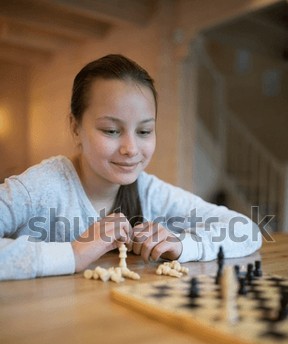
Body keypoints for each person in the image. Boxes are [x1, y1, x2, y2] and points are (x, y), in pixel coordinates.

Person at [0, 54, 262, 280]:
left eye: (144, 131)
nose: (131, 148)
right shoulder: (41, 187)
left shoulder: (149, 191)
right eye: (111, 130)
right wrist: (73, 253)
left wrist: (183, 244)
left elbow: (245, 231)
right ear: (75, 128)